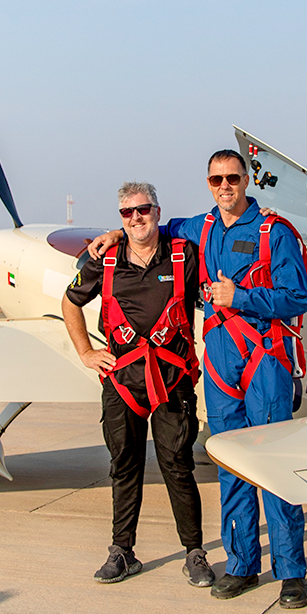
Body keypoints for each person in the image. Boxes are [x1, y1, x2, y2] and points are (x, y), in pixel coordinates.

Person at [90, 150, 307, 609]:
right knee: (231, 464)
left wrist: (243, 297)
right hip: (219, 365)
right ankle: (242, 565)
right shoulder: (201, 228)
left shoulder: (277, 232)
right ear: (208, 183)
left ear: (247, 179)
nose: (225, 186)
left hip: (265, 360)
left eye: (232, 177)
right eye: (216, 179)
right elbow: (152, 228)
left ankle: (291, 572)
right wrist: (115, 232)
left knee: (273, 466)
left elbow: (297, 298)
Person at [63, 181, 214, 589]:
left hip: (172, 382)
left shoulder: (185, 255)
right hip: (122, 381)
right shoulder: (104, 259)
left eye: (143, 210)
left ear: (158, 212)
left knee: (178, 467)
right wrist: (85, 353)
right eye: (127, 214)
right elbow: (70, 301)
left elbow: (216, 240)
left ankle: (194, 553)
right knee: (123, 466)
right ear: (120, 219)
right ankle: (122, 552)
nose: (136, 218)